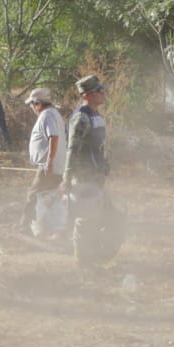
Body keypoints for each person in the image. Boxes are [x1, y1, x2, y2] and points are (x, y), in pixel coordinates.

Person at [62, 75, 115, 265]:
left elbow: (99, 146)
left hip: (96, 175)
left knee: (102, 217)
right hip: (84, 177)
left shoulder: (96, 116)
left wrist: (104, 165)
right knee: (86, 219)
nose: (103, 94)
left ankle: (92, 256)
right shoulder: (81, 117)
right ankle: (82, 262)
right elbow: (72, 149)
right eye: (99, 91)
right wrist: (67, 177)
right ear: (88, 95)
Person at [20, 87, 67, 235]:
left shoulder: (47, 115)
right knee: (49, 197)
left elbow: (53, 137)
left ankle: (24, 227)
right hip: (53, 165)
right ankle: (49, 228)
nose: (32, 108)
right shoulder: (53, 114)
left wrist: (49, 163)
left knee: (33, 195)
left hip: (48, 167)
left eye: (32, 105)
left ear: (38, 103)